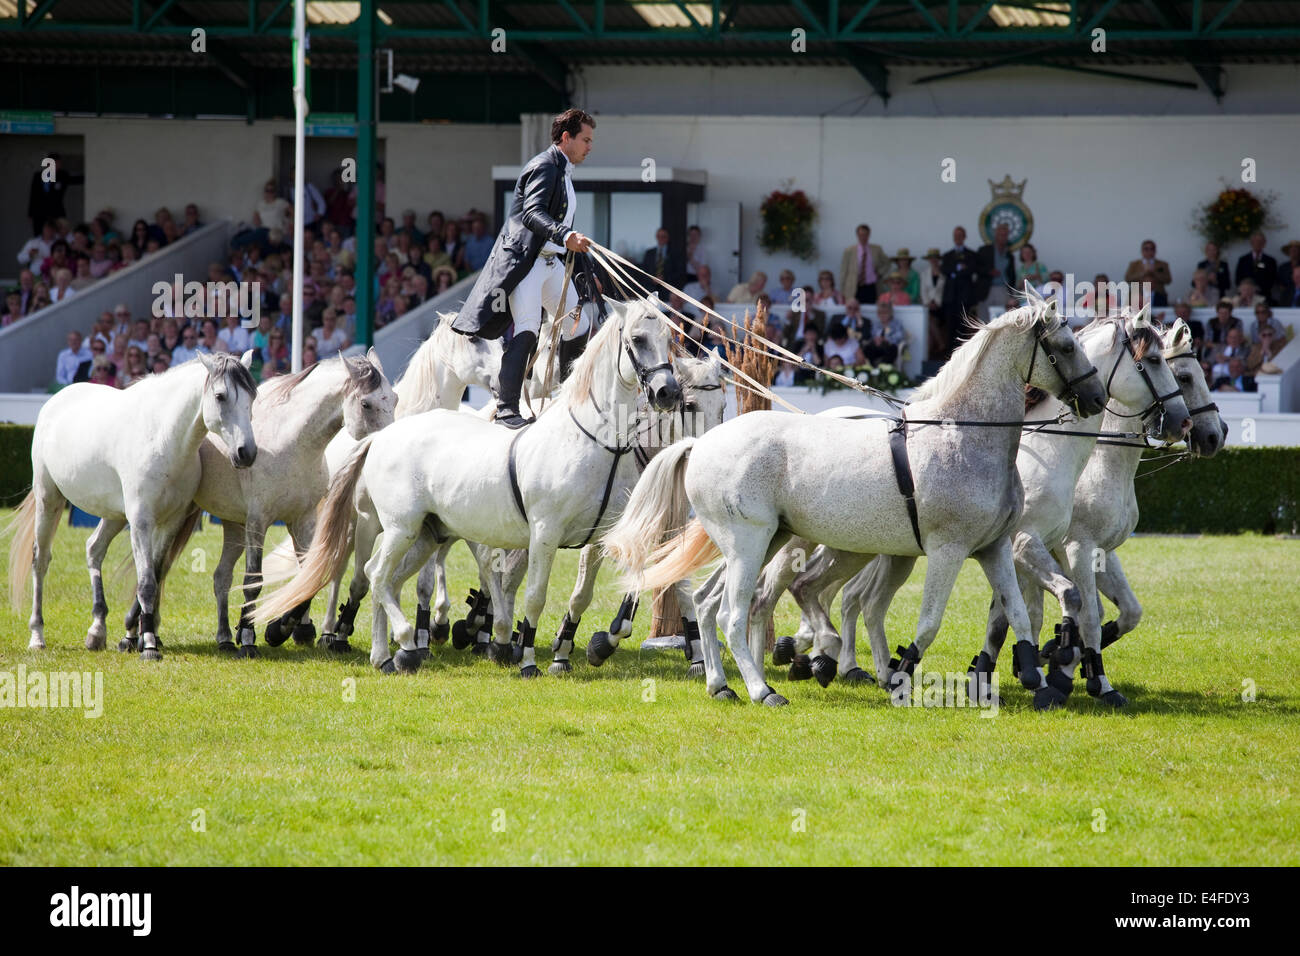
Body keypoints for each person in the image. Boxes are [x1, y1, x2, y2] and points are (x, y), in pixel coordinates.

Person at [450, 108, 597, 428]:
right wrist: (566, 235)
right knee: (528, 330)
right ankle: (506, 410)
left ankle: (567, 399)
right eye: (585, 140)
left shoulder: (564, 170)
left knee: (579, 324)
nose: (589, 146)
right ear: (566, 137)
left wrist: (568, 241)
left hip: (550, 262)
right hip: (528, 265)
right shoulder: (544, 166)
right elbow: (532, 213)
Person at [940, 227, 980, 357]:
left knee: (963, 326)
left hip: (965, 297)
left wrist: (954, 272)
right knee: (950, 326)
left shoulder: (971, 255)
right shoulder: (947, 255)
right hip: (950, 297)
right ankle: (948, 355)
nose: (957, 238)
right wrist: (959, 268)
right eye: (955, 235)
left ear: (964, 237)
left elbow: (971, 270)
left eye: (960, 235)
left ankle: (962, 354)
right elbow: (945, 269)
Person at [27, 153, 83, 236]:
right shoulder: (38, 176)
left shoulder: (62, 175)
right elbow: (33, 195)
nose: (58, 166)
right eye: (56, 163)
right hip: (40, 213)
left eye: (59, 163)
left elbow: (76, 179)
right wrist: (31, 213)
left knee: (59, 233)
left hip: (56, 212)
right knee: (39, 235)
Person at [839, 224, 889, 306]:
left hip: (871, 286)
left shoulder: (877, 249)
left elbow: (887, 263)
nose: (863, 237)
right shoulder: (849, 251)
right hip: (854, 287)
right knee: (854, 308)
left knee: (872, 309)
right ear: (857, 235)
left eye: (865, 234)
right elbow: (843, 271)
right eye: (861, 235)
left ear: (869, 235)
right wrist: (842, 290)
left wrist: (879, 273)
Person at [976, 223, 1016, 309]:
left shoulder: (1009, 255)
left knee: (1003, 320)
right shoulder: (984, 250)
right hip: (986, 290)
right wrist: (989, 271)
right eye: (1000, 234)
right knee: (984, 321)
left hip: (1003, 290)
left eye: (1004, 235)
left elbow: (1012, 276)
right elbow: (976, 268)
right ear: (995, 235)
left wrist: (1012, 294)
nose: (1002, 237)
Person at [1125, 238, 1172, 308]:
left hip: (1158, 297)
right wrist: (1143, 273)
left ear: (1155, 251)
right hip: (1137, 296)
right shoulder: (1134, 264)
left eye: (1152, 249)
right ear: (1142, 251)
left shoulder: (1163, 264)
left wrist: (1154, 272)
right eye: (1146, 249)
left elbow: (1168, 280)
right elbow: (1128, 278)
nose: (1149, 251)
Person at [1235, 232, 1277, 302]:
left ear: (1264, 243)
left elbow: (1272, 279)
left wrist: (1258, 289)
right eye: (1256, 241)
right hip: (1245, 296)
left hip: (1264, 295)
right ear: (1251, 243)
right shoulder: (1243, 260)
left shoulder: (1270, 261)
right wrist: (1247, 290)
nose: (1258, 244)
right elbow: (1238, 278)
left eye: (1260, 242)